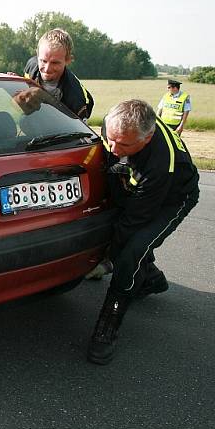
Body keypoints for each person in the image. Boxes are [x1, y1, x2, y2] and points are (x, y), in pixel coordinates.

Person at [87, 99, 199, 365]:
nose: (114, 149)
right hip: (135, 186)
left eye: (124, 145)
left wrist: (107, 258)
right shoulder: (117, 124)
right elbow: (113, 161)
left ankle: (108, 326)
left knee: (131, 252)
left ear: (147, 138)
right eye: (110, 139)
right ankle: (151, 280)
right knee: (128, 245)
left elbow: (134, 221)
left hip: (172, 198)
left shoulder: (161, 164)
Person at [23, 28, 94, 120]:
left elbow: (78, 132)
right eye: (43, 61)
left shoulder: (76, 98)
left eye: (55, 63)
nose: (47, 69)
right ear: (37, 56)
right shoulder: (31, 66)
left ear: (68, 60)